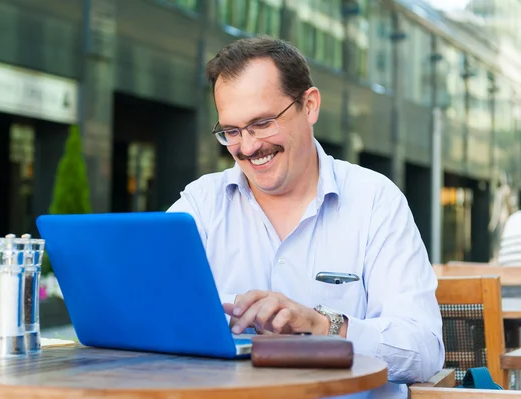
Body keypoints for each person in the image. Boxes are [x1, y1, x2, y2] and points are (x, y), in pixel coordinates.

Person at [167, 36, 444, 398]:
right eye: (231, 132)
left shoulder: (375, 201)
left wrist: (323, 326)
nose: (248, 147)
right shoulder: (202, 203)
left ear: (309, 105)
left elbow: (424, 350)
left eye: (263, 123)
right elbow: (145, 304)